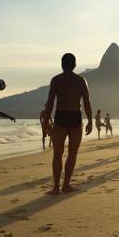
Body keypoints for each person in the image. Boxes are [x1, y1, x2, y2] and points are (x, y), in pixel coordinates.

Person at [43, 53, 93, 194]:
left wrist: (45, 121)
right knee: (72, 153)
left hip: (61, 115)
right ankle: (66, 185)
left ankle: (56, 187)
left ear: (61, 64)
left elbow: (50, 103)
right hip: (75, 116)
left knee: (57, 154)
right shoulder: (81, 81)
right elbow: (87, 102)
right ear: (75, 65)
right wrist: (90, 120)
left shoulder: (56, 80)